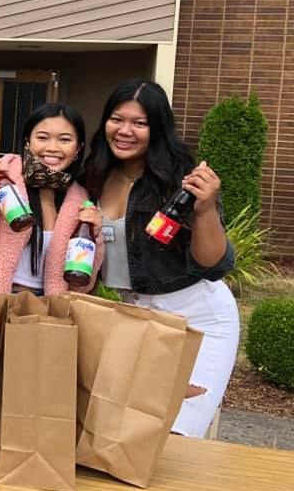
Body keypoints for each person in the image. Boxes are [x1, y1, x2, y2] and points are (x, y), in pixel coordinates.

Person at [81, 79, 239, 438]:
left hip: (197, 321)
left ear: (158, 128)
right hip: (134, 318)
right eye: (117, 119)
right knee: (122, 433)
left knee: (175, 435)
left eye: (140, 123)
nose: (125, 131)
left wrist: (205, 209)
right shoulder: (94, 174)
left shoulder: (179, 181)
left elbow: (212, 265)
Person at [0, 102, 103, 295]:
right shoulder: (0, 180)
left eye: (65, 140)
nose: (52, 148)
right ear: (28, 142)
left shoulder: (81, 201)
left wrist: (95, 236)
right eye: (42, 137)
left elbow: (81, 285)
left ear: (78, 149)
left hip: (44, 313)